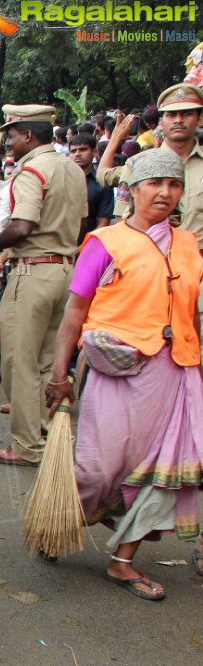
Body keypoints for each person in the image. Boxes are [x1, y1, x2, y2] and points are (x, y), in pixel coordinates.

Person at [45, 148, 203, 599]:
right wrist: (60, 375)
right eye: (153, 184)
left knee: (167, 471)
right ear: (131, 191)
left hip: (177, 372)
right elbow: (74, 315)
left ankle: (123, 561)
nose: (164, 193)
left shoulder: (190, 245)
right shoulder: (105, 243)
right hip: (117, 370)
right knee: (98, 471)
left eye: (173, 185)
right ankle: (59, 517)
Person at [0, 104, 88, 466]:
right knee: (46, 361)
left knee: (19, 362)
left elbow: (24, 225)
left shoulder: (31, 171)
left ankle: (27, 446)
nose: (9, 143)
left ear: (28, 135)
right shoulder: (72, 169)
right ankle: (40, 429)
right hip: (66, 272)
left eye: (11, 135)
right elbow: (80, 221)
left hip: (33, 272)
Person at [99, 83, 203, 234]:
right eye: (171, 114)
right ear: (161, 122)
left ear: (200, 119)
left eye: (186, 114)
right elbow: (123, 221)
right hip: (151, 253)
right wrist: (114, 140)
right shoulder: (138, 164)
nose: (178, 120)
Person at [67, 133, 114, 240]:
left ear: (94, 152)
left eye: (83, 149)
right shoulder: (60, 179)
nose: (77, 154)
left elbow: (103, 223)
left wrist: (84, 247)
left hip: (88, 245)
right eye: (73, 151)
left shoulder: (102, 183)